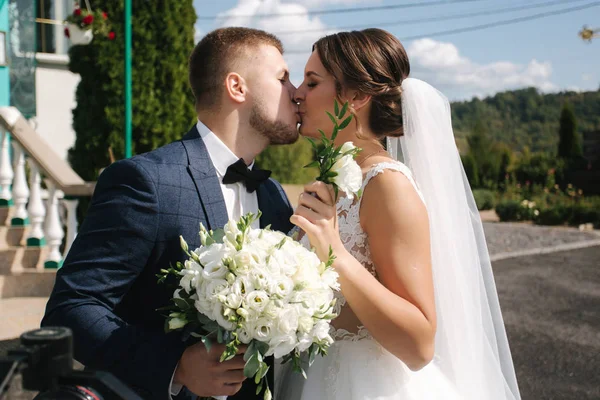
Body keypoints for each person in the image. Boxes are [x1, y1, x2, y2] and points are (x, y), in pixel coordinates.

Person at [42, 27, 298, 400]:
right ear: (237, 87)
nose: (296, 93)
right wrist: (176, 365)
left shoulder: (273, 194)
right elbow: (71, 308)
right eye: (282, 78)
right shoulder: (145, 181)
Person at [278, 28, 521, 400]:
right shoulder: (336, 180)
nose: (297, 93)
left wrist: (335, 254)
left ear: (356, 96)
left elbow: (419, 345)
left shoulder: (387, 185)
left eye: (312, 82)